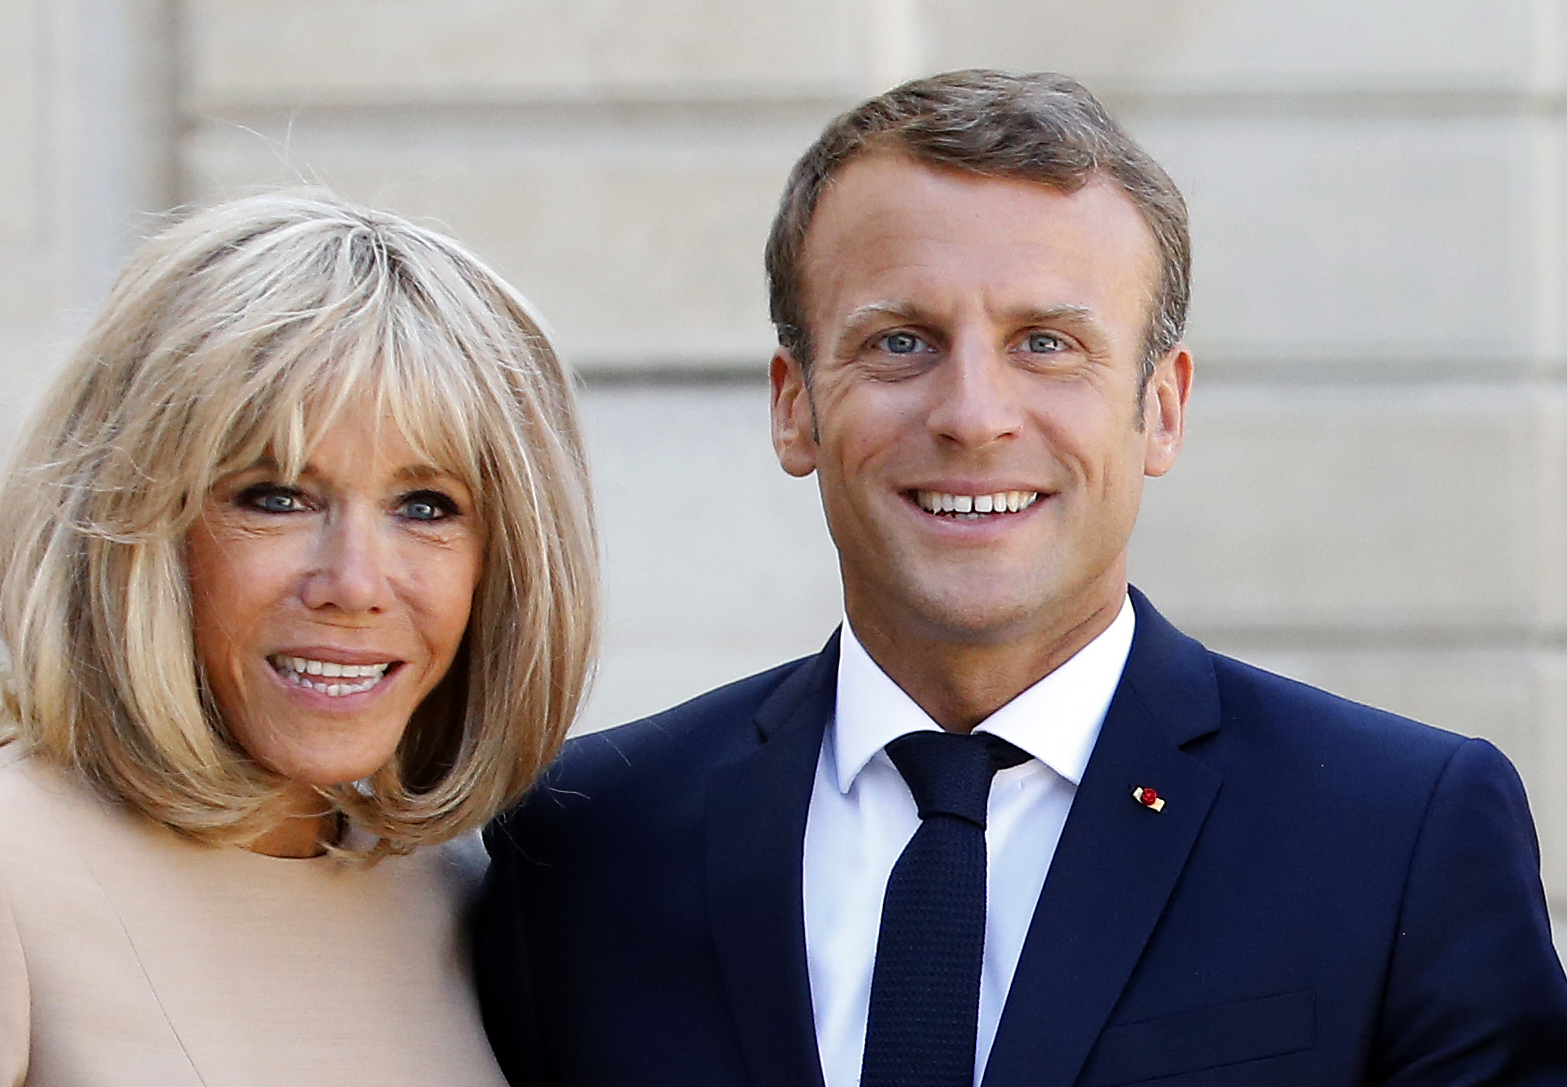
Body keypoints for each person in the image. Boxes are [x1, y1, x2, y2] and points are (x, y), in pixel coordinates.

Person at [475, 70, 1567, 1086]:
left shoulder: (1397, 833)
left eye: (1045, 343)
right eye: (900, 342)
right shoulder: (581, 839)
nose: (972, 414)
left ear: (1163, 407)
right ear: (793, 403)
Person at [0, 191, 596, 1085]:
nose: (354, 583)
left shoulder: (463, 897)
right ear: (138, 524)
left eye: (426, 506)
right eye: (276, 497)